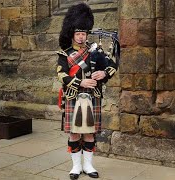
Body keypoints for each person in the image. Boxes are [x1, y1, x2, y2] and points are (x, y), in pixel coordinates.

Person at [55, 2, 118, 180]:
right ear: (72, 34)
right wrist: (81, 82)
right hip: (74, 96)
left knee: (89, 132)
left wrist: (103, 73)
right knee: (75, 132)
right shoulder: (64, 54)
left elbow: (112, 65)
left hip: (93, 97)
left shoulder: (95, 51)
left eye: (84, 33)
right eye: (78, 34)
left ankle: (88, 165)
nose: (81, 37)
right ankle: (76, 166)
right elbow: (61, 75)